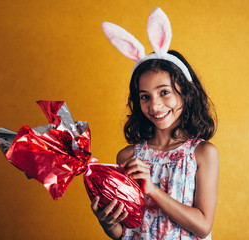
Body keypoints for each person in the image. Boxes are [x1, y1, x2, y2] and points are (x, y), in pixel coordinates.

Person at [91, 8, 219, 240]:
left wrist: (153, 190)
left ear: (185, 93)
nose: (155, 105)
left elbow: (203, 226)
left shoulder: (201, 153)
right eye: (145, 96)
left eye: (164, 92)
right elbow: (126, 232)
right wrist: (108, 223)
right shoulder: (128, 157)